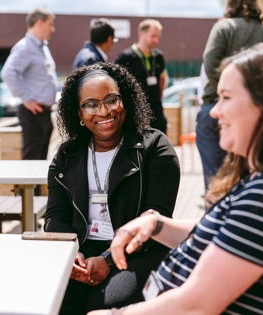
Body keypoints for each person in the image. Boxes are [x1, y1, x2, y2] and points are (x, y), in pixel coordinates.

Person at [89, 43, 263, 315]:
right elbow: (218, 234)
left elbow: (198, 304)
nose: (215, 111)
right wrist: (156, 224)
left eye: (225, 97)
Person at [44, 62, 181, 315]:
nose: (104, 111)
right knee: (54, 300)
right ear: (79, 114)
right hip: (82, 251)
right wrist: (73, 255)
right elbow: (55, 216)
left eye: (111, 100)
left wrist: (107, 259)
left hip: (138, 253)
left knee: (101, 305)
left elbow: (156, 216)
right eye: (91, 104)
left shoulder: (155, 147)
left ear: (124, 101)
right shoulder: (67, 155)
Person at [196, 0, 263, 191]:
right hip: (256, 114)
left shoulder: (224, 27)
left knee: (214, 179)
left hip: (215, 107)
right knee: (251, 176)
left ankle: (216, 214)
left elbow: (210, 63)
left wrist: (227, 93)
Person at [1, 8, 58, 165]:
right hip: (33, 113)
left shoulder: (41, 47)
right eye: (50, 24)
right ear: (40, 22)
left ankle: (37, 191)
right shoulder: (25, 47)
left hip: (43, 113)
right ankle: (26, 192)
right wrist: (26, 99)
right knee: (31, 163)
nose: (52, 29)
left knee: (39, 163)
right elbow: (8, 73)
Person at [114, 19, 168, 134]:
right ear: (142, 34)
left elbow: (163, 79)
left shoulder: (159, 56)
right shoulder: (125, 58)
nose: (156, 40)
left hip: (157, 111)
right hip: (135, 113)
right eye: (153, 36)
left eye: (158, 36)